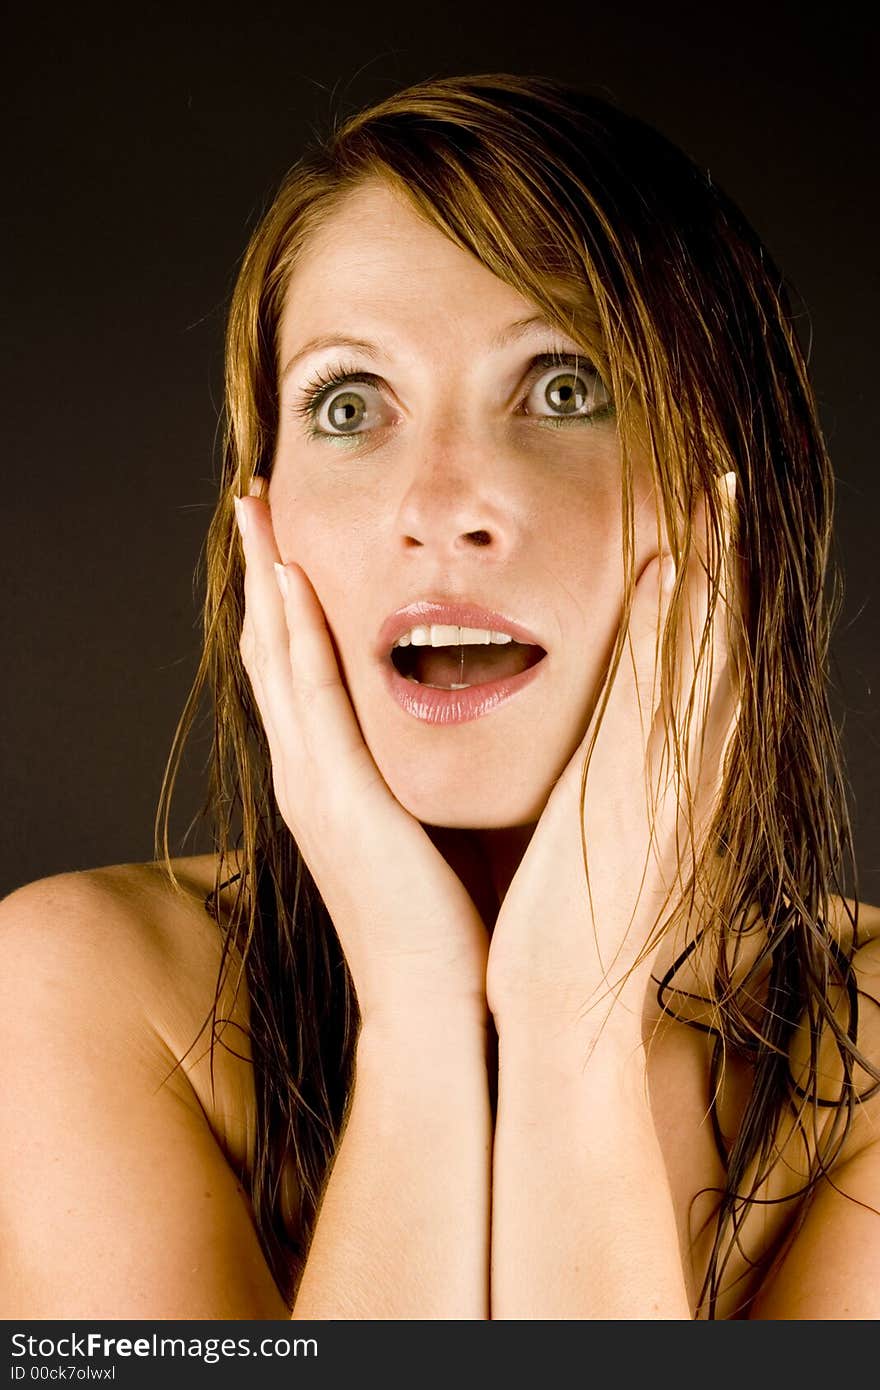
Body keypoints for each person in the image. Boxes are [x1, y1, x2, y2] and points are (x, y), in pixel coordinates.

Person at [2, 71, 879, 1323]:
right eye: (348, 406)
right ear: (264, 520)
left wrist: (571, 1029)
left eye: (565, 388)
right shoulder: (74, 989)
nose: (439, 507)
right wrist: (416, 1022)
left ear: (733, 500)